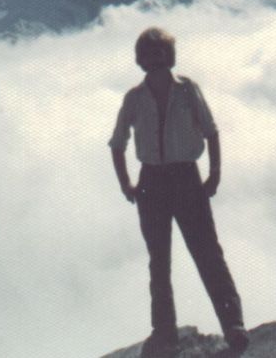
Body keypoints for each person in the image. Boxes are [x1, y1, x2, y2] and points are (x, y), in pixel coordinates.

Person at [109, 27, 249, 356]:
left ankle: (233, 326)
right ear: (141, 59)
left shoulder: (188, 91)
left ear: (169, 56)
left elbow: (212, 132)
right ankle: (164, 332)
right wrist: (126, 184)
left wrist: (214, 174)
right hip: (152, 183)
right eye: (149, 53)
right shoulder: (133, 98)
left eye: (160, 52)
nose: (155, 59)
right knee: (160, 261)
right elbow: (116, 143)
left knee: (208, 254)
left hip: (186, 178)